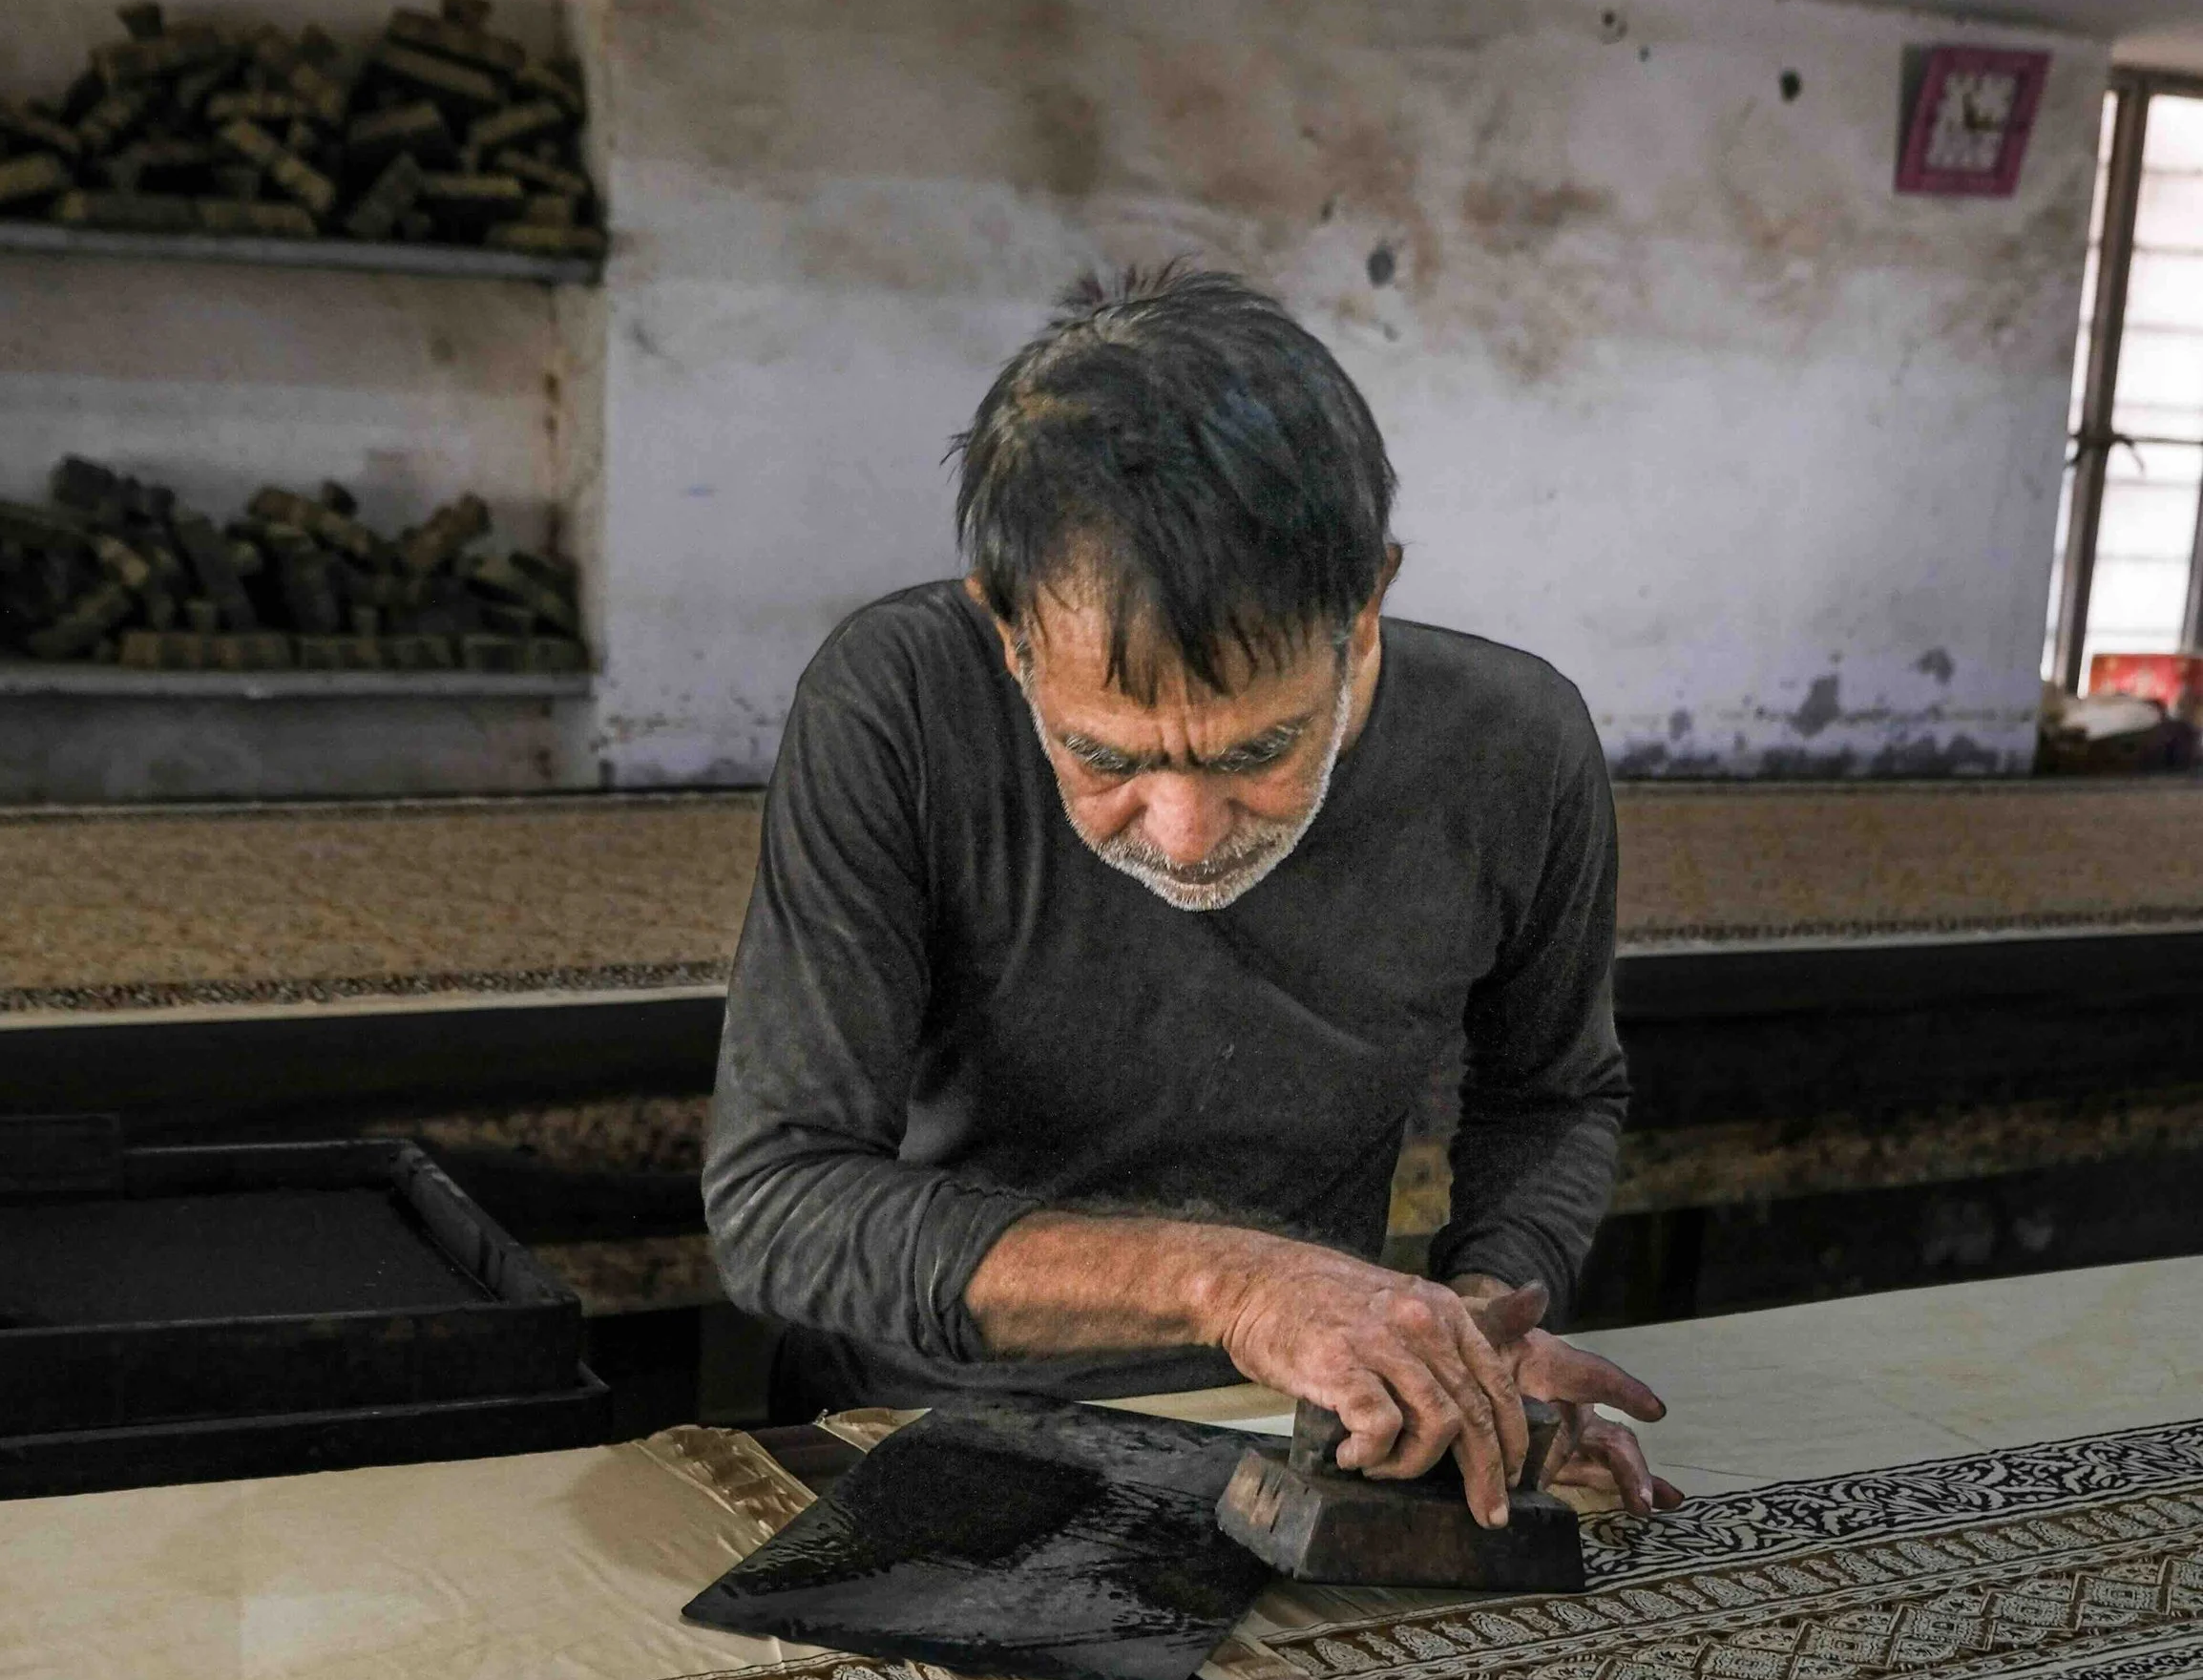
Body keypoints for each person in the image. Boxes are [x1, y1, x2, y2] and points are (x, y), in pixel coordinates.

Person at [704, 262, 1679, 1528]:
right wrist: (1238, 1287)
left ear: (1364, 614)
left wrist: (1479, 1325)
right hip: (926, 1419)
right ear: (1009, 636)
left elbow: (1552, 1093)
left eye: (1256, 752)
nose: (1184, 831)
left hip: (1300, 1435)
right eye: (1105, 757)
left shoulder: (1517, 746)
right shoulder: (897, 705)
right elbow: (781, 1202)